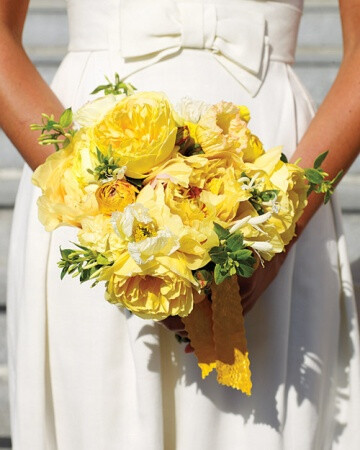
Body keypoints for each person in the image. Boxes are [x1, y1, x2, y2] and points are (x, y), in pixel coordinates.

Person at [1, 0, 360, 448]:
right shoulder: (90, 196)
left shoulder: (278, 215)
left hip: (273, 179)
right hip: (91, 177)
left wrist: (279, 229)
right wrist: (97, 203)